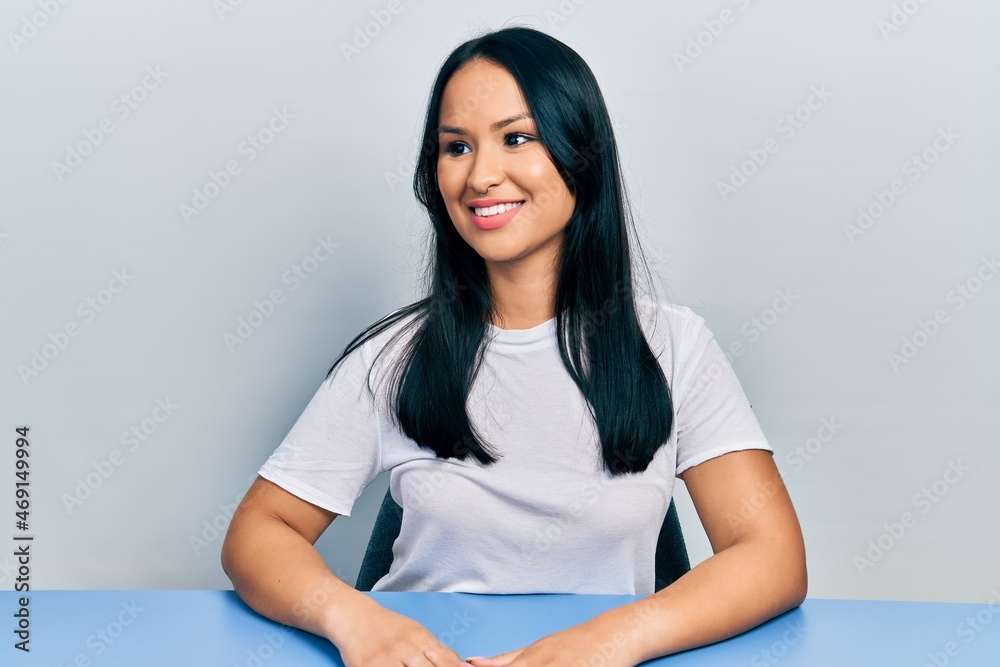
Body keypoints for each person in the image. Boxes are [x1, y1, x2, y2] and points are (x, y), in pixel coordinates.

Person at [221, 24, 806, 667]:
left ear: (580, 154)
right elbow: (257, 532)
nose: (481, 176)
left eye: (516, 138)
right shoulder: (394, 358)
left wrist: (607, 641)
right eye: (456, 147)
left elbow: (771, 555)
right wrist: (354, 619)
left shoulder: (675, 345)